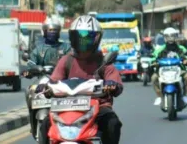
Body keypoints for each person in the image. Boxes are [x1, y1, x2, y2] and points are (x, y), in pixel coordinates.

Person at [36, 15, 123, 144]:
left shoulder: (104, 63)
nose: (83, 41)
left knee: (113, 123)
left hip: (98, 108)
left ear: (96, 39)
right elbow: (54, 80)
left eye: (88, 37)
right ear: (73, 38)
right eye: (80, 37)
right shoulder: (67, 60)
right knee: (45, 125)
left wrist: (112, 85)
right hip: (66, 108)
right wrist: (46, 87)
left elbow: (116, 82)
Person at [24, 17, 72, 139]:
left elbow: (72, 61)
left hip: (62, 81)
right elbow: (30, 63)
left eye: (55, 30)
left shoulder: (66, 47)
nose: (52, 32)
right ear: (44, 31)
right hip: (43, 79)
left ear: (59, 31)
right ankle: (33, 126)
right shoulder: (38, 49)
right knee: (29, 92)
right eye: (50, 30)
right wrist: (32, 70)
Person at [150, 27, 187, 106]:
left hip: (178, 71)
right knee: (153, 78)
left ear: (175, 37)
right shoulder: (160, 49)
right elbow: (153, 57)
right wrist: (153, 61)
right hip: (163, 71)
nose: (170, 39)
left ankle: (184, 95)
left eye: (172, 36)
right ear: (165, 38)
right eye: (168, 36)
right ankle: (159, 96)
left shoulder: (181, 49)